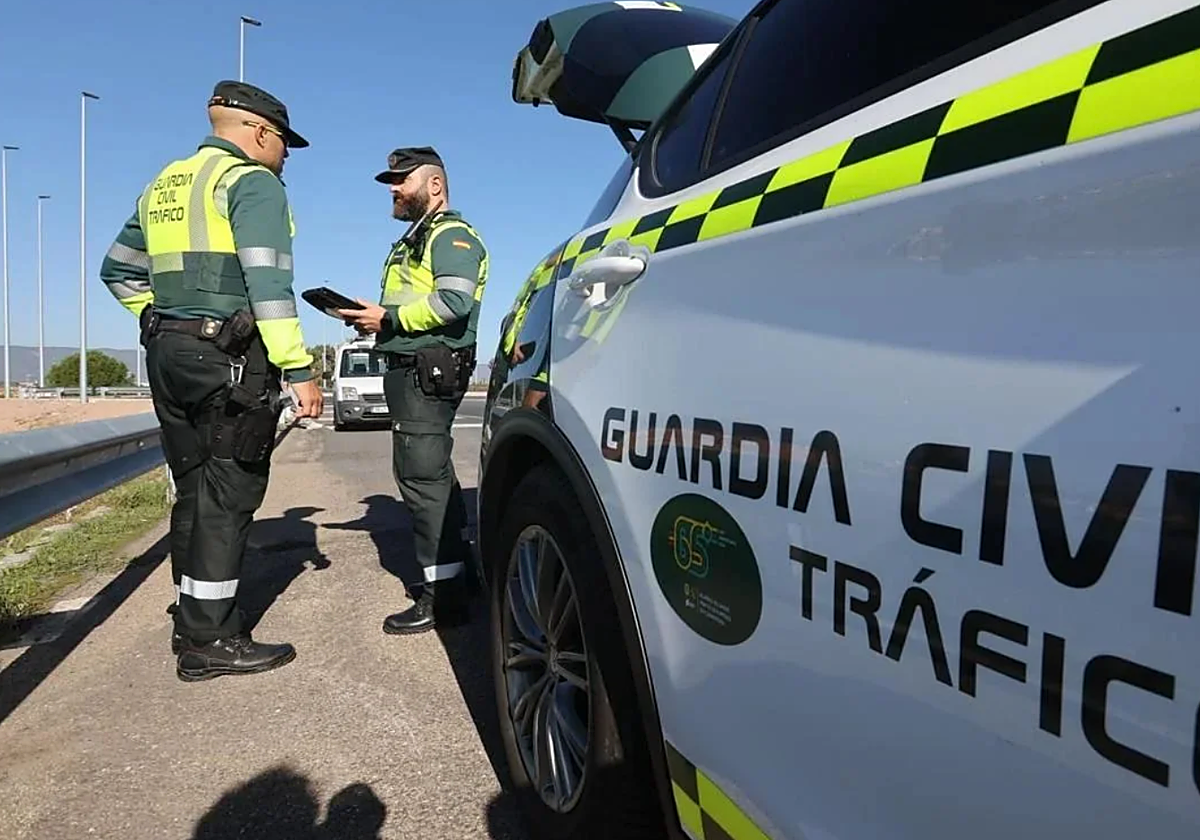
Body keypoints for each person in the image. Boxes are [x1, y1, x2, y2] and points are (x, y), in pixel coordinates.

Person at [99, 80, 323, 681]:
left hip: (167, 352)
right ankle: (211, 640)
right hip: (228, 356)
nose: (285, 157)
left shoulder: (163, 184)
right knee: (231, 489)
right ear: (260, 133)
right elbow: (269, 286)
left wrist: (159, 318)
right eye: (284, 144)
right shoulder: (252, 183)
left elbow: (116, 270)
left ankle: (193, 612)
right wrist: (299, 369)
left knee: (195, 485)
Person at [337, 146, 488, 634]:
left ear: (435, 186)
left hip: (429, 372)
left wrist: (390, 318)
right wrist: (376, 322)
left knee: (421, 477)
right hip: (411, 366)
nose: (393, 189)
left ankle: (443, 598)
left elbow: (453, 302)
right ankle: (461, 577)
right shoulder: (414, 239)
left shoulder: (451, 235)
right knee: (432, 475)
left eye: (402, 180)